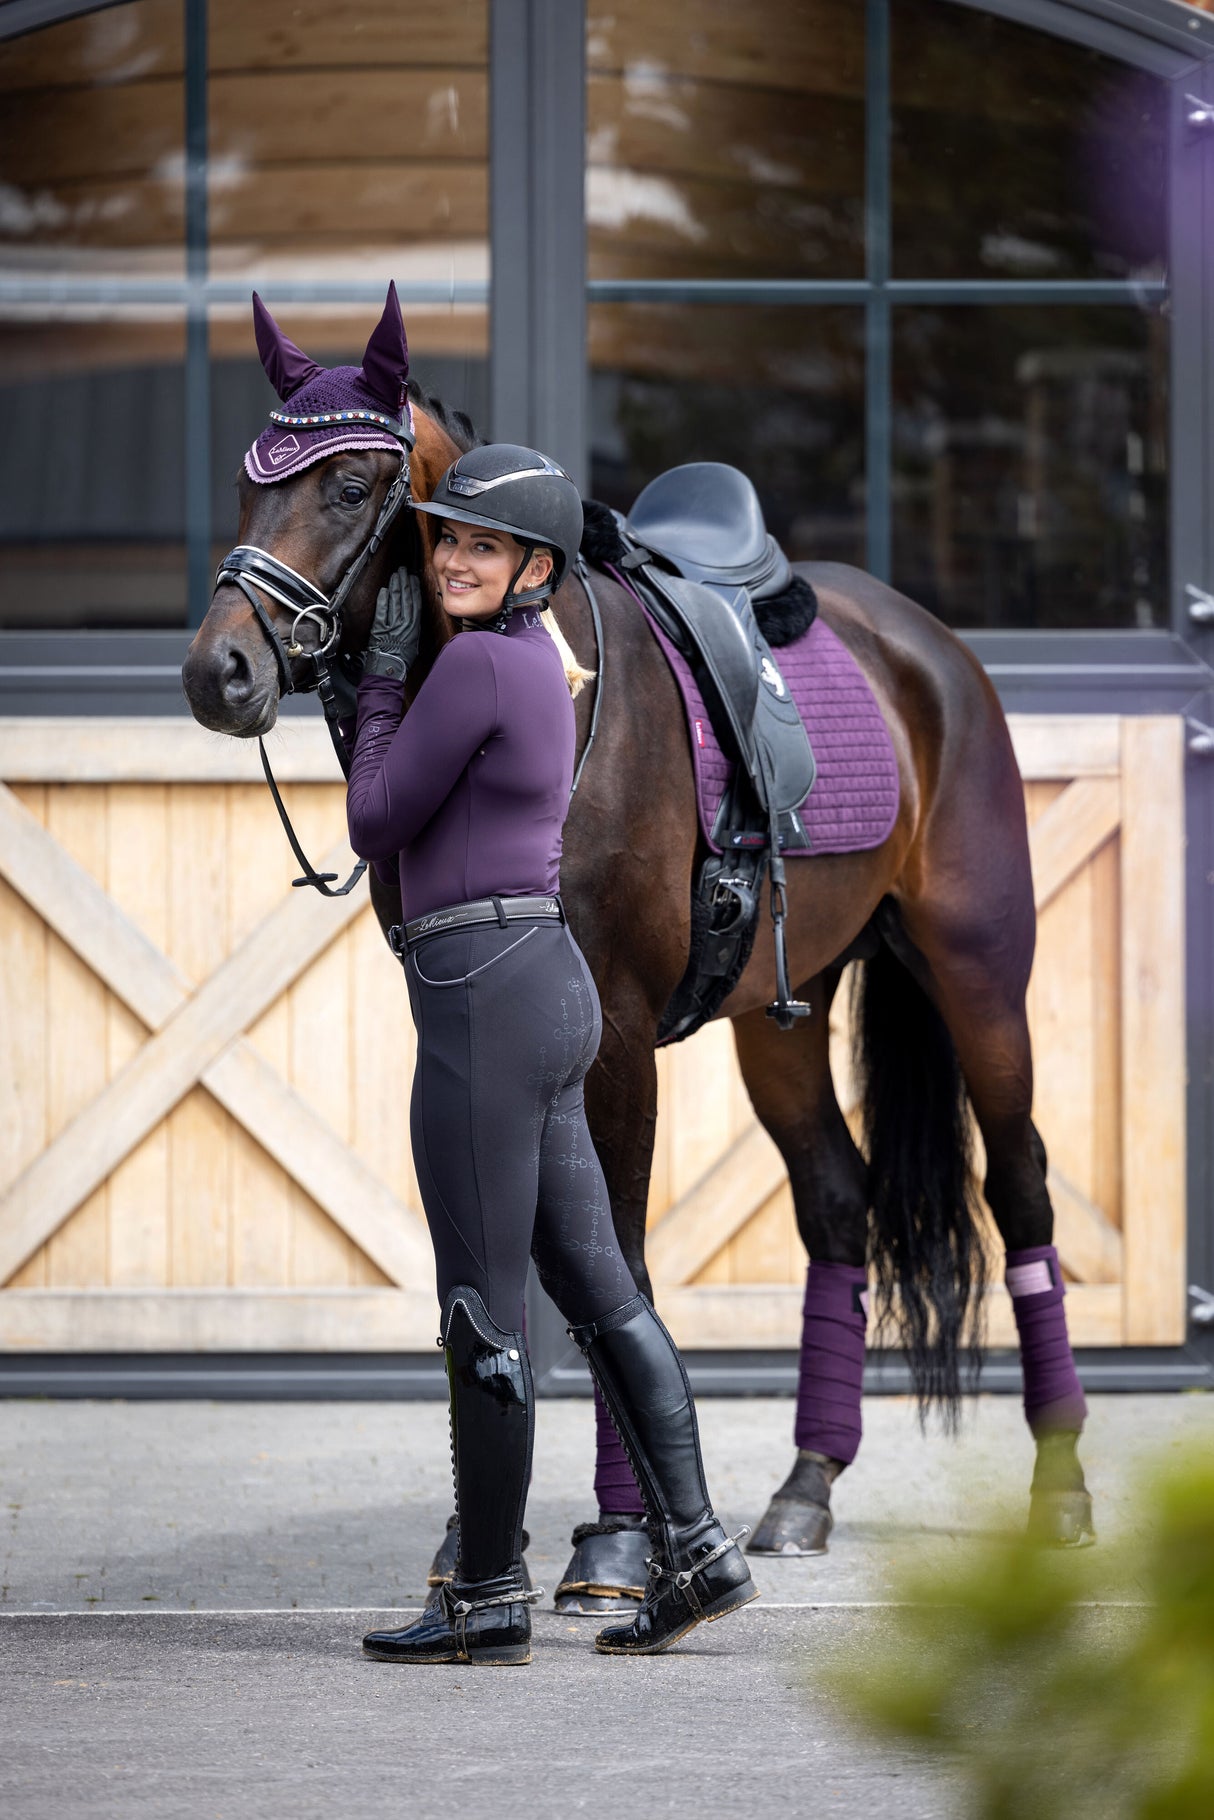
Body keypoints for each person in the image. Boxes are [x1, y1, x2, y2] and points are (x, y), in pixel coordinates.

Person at [344, 443, 758, 1665]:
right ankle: (695, 1547)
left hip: (483, 999)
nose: (454, 558)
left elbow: (374, 815)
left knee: (482, 1311)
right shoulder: (538, 659)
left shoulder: (472, 664)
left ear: (534, 566)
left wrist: (376, 686)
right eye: (445, 540)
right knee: (599, 1288)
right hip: (542, 988)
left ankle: (483, 1590)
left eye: (482, 544)